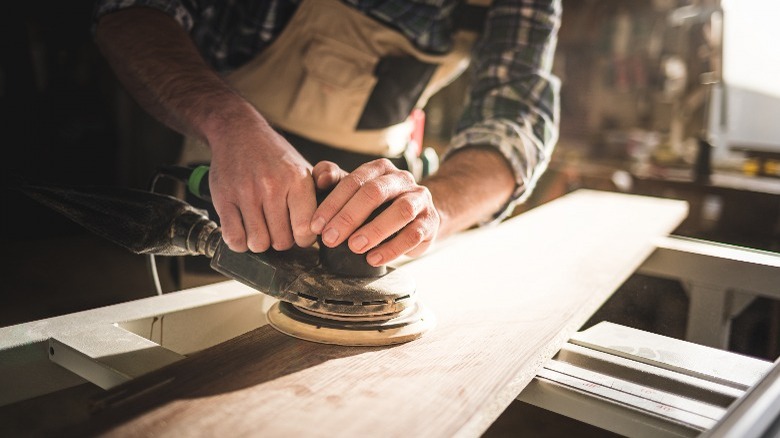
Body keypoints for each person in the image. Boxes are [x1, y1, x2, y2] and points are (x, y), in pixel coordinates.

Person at [92, 0, 561, 267]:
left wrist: (429, 211)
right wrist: (229, 123)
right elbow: (131, 12)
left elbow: (516, 117)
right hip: (229, 176)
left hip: (382, 193)